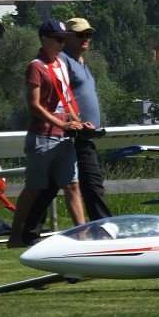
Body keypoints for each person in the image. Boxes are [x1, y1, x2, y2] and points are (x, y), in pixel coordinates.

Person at [22, 16, 111, 239]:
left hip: (82, 132)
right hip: (69, 134)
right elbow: (57, 97)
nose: (86, 39)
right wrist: (67, 123)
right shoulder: (61, 62)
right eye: (80, 35)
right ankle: (104, 230)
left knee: (58, 187)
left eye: (88, 35)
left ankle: (29, 231)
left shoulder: (80, 62)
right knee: (86, 184)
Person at [7, 19, 88, 248]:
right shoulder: (36, 66)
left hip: (63, 137)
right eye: (58, 39)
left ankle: (82, 238)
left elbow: (66, 100)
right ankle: (15, 236)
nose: (63, 44)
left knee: (72, 185)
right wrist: (62, 124)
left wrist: (78, 121)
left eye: (64, 39)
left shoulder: (61, 64)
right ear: (44, 39)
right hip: (42, 137)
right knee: (33, 188)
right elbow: (34, 106)